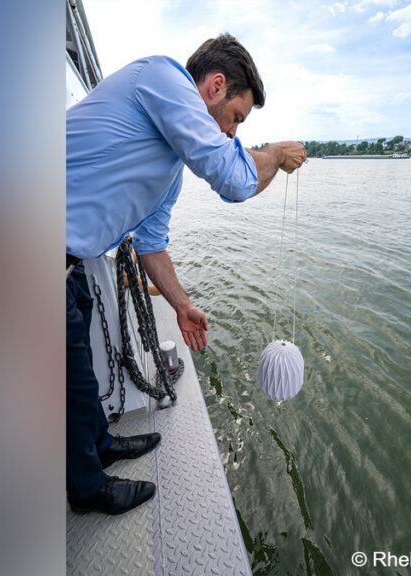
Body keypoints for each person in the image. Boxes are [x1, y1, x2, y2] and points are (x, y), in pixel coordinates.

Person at [66, 34, 306, 515]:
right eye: (237, 117)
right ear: (215, 86)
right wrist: (276, 156)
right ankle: (88, 488)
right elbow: (234, 180)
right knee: (67, 384)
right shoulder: (161, 77)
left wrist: (181, 305)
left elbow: (152, 244)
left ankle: (102, 443)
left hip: (68, 262)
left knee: (80, 373)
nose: (233, 132)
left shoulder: (168, 167)